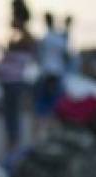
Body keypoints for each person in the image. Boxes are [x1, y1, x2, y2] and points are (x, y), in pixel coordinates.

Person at [0, 16, 36, 155]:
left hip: (13, 82)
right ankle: (12, 140)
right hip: (9, 82)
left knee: (11, 113)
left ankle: (14, 141)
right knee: (9, 113)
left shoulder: (24, 45)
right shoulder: (17, 43)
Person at [32, 12, 68, 142]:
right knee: (55, 107)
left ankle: (39, 138)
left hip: (47, 74)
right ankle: (51, 138)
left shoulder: (45, 38)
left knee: (41, 108)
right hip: (57, 75)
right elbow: (66, 55)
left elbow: (38, 56)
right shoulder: (60, 38)